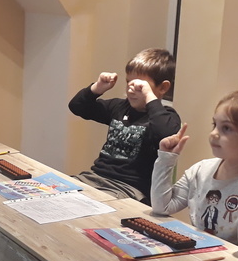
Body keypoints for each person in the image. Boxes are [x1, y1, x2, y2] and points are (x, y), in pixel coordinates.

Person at [151, 90, 238, 257]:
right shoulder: (201, 170)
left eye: (226, 128)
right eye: (215, 125)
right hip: (207, 260)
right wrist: (166, 159)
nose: (214, 134)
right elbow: (162, 207)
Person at [68, 48, 181, 203]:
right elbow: (77, 106)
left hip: (129, 190)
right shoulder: (119, 107)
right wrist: (97, 88)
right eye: (128, 82)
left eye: (140, 86)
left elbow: (164, 133)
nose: (131, 89)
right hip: (95, 178)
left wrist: (149, 96)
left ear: (162, 87)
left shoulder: (166, 117)